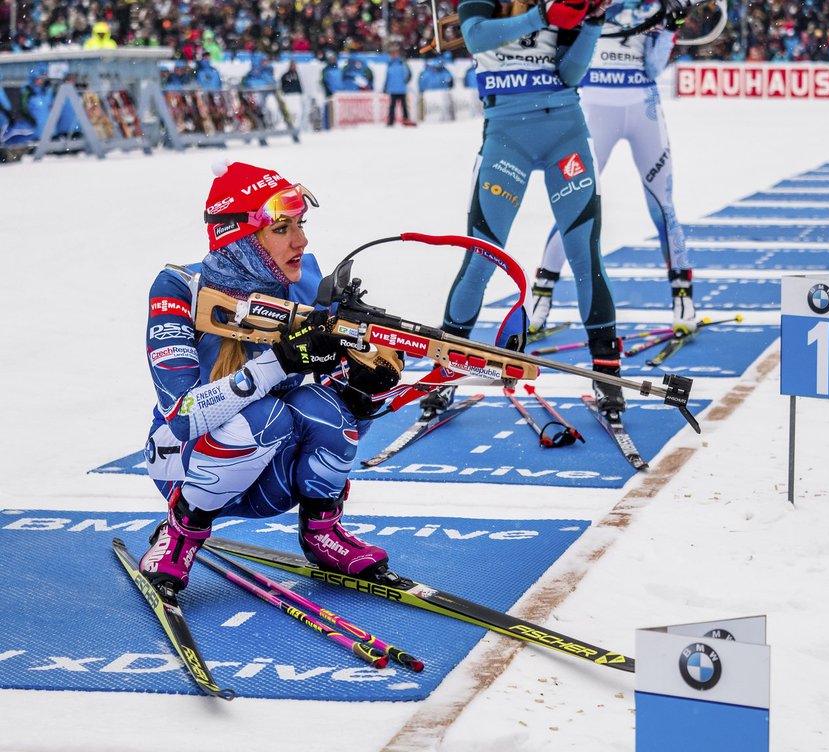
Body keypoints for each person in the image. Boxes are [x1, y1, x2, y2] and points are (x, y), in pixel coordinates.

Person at [138, 161, 403, 594]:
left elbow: (343, 409)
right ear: (240, 239)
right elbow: (181, 415)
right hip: (182, 460)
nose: (301, 240)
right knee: (268, 415)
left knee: (327, 410)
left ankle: (323, 534)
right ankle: (180, 535)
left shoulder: (305, 281)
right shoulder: (180, 287)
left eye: (300, 224)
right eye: (281, 229)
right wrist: (279, 360)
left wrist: (363, 393)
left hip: (269, 473)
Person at [421, 0, 626, 420]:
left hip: (565, 131)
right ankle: (444, 373)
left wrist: (592, 23)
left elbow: (570, 74)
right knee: (480, 258)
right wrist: (543, 19)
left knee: (585, 256)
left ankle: (607, 377)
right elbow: (477, 36)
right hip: (506, 136)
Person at [531, 0, 697, 338]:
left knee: (663, 207)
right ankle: (541, 295)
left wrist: (670, 26)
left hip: (642, 107)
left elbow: (652, 67)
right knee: (574, 202)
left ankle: (683, 297)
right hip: (594, 106)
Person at [383, 43, 413, 126]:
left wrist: (405, 81)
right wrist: (385, 86)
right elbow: (387, 77)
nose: (394, 55)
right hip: (393, 89)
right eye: (392, 53)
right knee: (392, 106)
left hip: (402, 88)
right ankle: (391, 121)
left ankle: (406, 119)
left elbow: (409, 74)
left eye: (395, 53)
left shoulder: (403, 63)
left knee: (404, 106)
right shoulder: (390, 64)